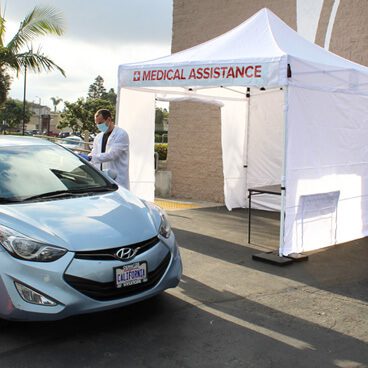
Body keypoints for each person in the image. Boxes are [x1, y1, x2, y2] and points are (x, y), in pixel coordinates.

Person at [89, 109, 130, 189]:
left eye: (100, 123)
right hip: (103, 180)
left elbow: (112, 155)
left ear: (109, 119)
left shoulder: (121, 134)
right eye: (96, 123)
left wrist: (91, 158)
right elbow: (94, 153)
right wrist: (86, 157)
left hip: (118, 180)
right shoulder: (98, 137)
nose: (98, 126)